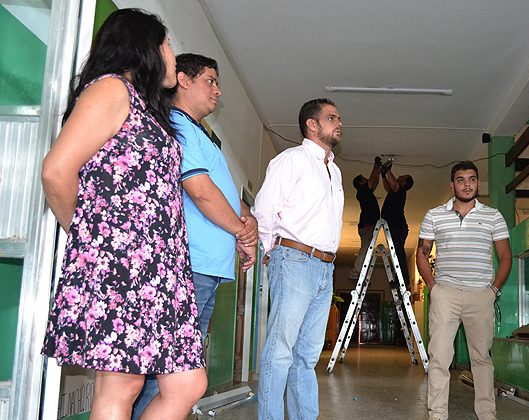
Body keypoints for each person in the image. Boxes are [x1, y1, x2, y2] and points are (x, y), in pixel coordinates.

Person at [40, 9, 206, 419]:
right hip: (125, 263)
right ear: (144, 46)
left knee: (187, 383)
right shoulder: (112, 90)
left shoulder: (148, 108)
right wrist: (93, 241)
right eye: (167, 44)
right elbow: (56, 172)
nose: (171, 54)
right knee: (122, 385)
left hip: (161, 268)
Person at [131, 53, 258, 418]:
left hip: (205, 269)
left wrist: (244, 225)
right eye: (211, 80)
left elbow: (225, 195)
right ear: (183, 80)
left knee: (175, 371)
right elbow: (200, 190)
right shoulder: (178, 125)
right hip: (191, 266)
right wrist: (240, 232)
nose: (218, 91)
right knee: (169, 373)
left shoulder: (200, 135)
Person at [253, 98, 344, 419]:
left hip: (325, 268)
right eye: (332, 118)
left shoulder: (334, 170)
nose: (339, 123)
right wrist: (269, 252)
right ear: (312, 124)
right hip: (293, 260)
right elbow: (263, 209)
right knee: (280, 352)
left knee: (306, 357)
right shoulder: (290, 160)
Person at [417, 161, 512, 420]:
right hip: (445, 294)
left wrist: (493, 291)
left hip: (480, 295)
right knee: (439, 358)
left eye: (471, 179)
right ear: (452, 184)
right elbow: (422, 254)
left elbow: (505, 257)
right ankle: (437, 414)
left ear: (477, 183)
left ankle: (487, 413)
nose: (467, 184)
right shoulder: (434, 215)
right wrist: (434, 289)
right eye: (461, 180)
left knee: (481, 359)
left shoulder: (493, 216)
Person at [348, 157, 382, 282]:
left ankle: (360, 273)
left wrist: (379, 170)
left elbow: (375, 182)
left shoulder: (366, 192)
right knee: (366, 248)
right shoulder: (362, 191)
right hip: (367, 225)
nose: (367, 179)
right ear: (361, 183)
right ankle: (355, 273)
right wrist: (376, 165)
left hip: (367, 225)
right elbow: (372, 180)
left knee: (367, 249)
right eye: (364, 179)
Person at [380, 162, 414, 285]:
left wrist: (387, 170)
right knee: (397, 253)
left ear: (404, 183)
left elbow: (393, 183)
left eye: (402, 177)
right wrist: (384, 175)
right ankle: (400, 278)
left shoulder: (401, 191)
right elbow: (388, 187)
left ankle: (403, 279)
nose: (399, 177)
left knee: (398, 253)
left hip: (397, 227)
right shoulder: (396, 192)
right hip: (396, 227)